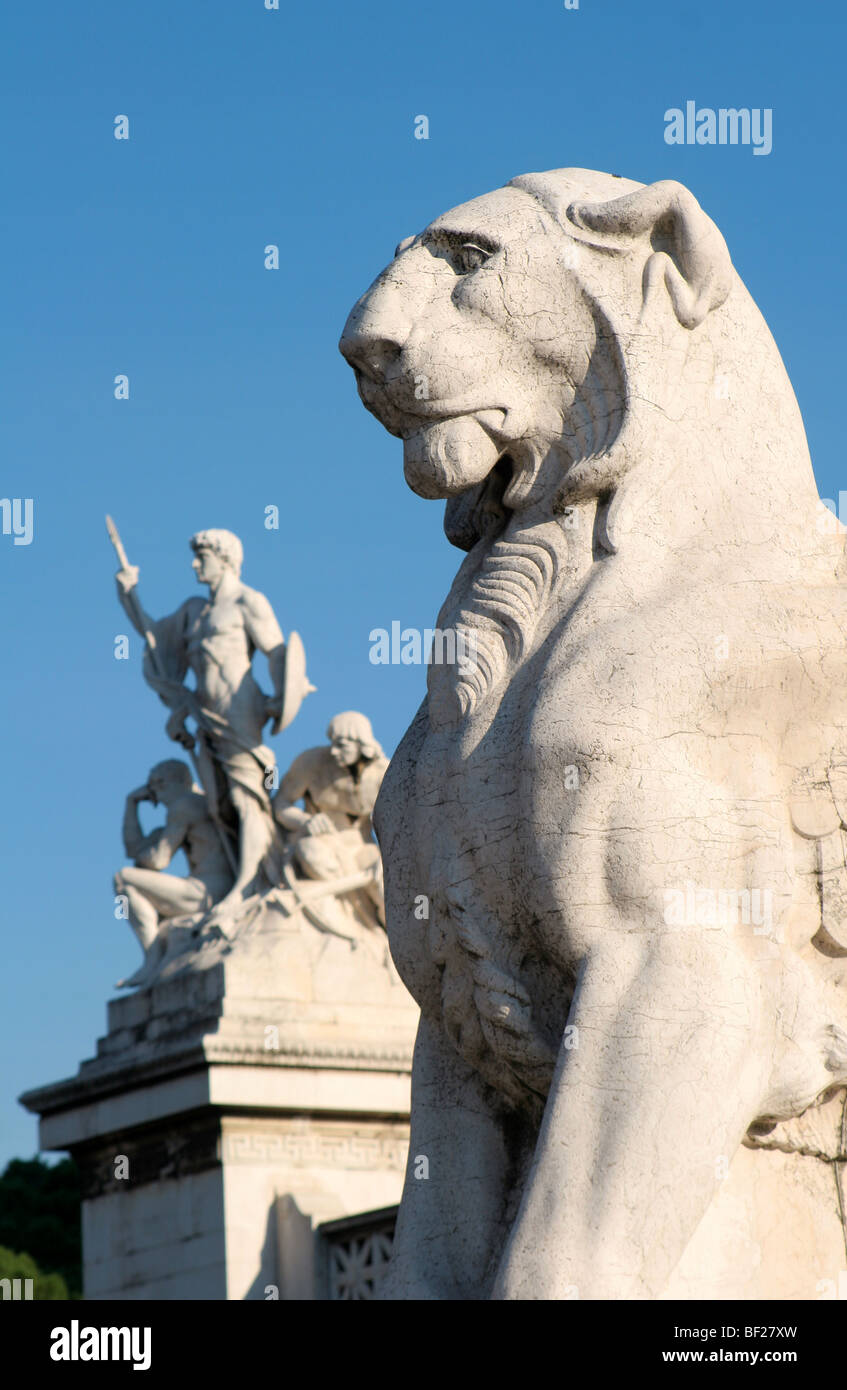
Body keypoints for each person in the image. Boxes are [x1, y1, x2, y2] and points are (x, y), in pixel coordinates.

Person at [116, 529, 290, 925]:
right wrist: (129, 595)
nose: (195, 564)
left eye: (202, 557)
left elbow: (277, 653)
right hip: (204, 715)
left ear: (225, 558)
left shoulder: (247, 601)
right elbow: (154, 637)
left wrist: (282, 696)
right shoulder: (195, 610)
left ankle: (248, 885)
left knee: (247, 798)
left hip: (240, 712)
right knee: (219, 806)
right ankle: (244, 876)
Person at [114, 760, 234, 987]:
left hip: (206, 891)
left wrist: (147, 850)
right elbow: (133, 850)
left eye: (156, 790)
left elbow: (158, 861)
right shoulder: (197, 802)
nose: (156, 800)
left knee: (122, 878)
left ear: (167, 784)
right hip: (211, 888)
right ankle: (152, 958)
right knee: (128, 884)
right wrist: (131, 803)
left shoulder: (183, 807)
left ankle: (151, 959)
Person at [274, 712, 389, 926]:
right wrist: (304, 821)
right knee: (312, 853)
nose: (334, 751)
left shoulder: (384, 774)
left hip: (361, 848)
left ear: (361, 744)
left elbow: (401, 828)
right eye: (333, 744)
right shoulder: (311, 763)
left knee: (387, 889)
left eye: (342, 746)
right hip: (321, 842)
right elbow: (280, 804)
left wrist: (387, 859)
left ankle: (385, 938)